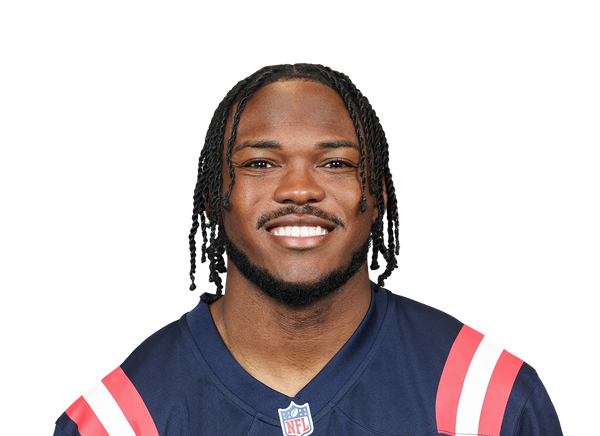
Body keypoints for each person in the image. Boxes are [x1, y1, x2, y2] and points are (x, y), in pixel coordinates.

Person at [53, 63, 562, 436]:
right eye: (260, 163)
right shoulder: (121, 420)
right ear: (212, 198)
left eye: (335, 163)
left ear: (379, 198)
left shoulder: (486, 399)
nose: (299, 189)